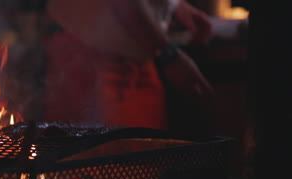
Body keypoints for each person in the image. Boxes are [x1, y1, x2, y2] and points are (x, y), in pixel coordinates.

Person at [44, 0, 213, 130]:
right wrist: (170, 55)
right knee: (104, 163)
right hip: (92, 59)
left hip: (135, 55)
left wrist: (173, 4)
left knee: (138, 161)